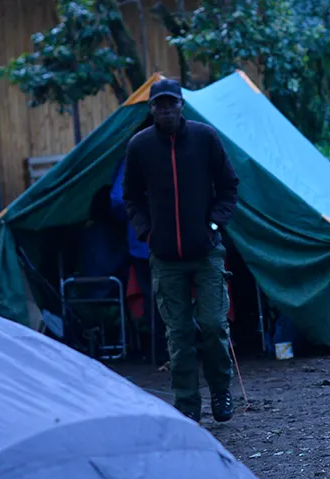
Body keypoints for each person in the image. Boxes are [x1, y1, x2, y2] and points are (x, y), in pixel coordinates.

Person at [123, 78, 240, 424]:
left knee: (214, 325)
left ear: (181, 106)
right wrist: (146, 231)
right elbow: (130, 195)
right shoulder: (140, 146)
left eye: (171, 103)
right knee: (179, 334)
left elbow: (229, 185)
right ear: (152, 109)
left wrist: (215, 224)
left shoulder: (205, 138)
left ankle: (220, 390)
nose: (166, 110)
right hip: (165, 256)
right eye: (160, 105)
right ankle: (188, 404)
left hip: (205, 252)